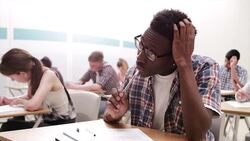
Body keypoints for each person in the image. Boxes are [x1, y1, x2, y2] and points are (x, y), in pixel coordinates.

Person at [104, 9, 221, 141]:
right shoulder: (134, 73)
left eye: (151, 54)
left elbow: (197, 135)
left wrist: (184, 63)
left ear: (174, 57)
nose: (139, 58)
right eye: (141, 46)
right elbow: (118, 114)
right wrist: (113, 116)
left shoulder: (204, 68)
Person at [0, 48, 76, 131]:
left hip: (62, 124)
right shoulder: (33, 74)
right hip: (49, 121)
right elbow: (29, 97)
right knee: (14, 121)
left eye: (12, 78)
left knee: (9, 126)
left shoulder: (48, 75)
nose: (12, 80)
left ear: (22, 74)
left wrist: (19, 101)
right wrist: (8, 100)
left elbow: (32, 105)